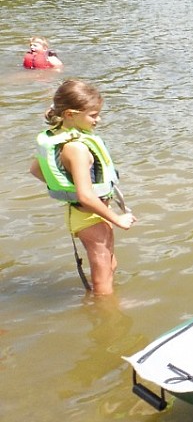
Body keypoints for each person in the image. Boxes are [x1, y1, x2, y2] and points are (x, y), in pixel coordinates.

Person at [29, 79, 136, 295]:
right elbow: (86, 196)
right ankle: (107, 317)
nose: (98, 119)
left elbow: (36, 170)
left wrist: (67, 186)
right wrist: (118, 219)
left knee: (109, 265)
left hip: (89, 213)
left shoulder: (60, 136)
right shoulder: (75, 148)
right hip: (88, 215)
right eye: (93, 115)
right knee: (103, 275)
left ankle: (98, 304)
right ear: (70, 114)